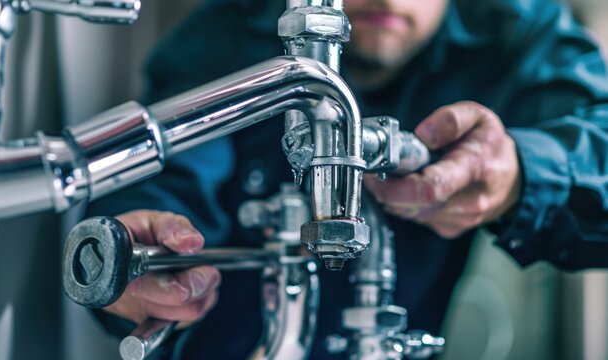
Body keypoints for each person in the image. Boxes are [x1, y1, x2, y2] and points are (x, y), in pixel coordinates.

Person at [87, 0, 608, 358]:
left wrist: (519, 171)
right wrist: (138, 261)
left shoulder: (513, 29)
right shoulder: (230, 31)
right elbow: (163, 182)